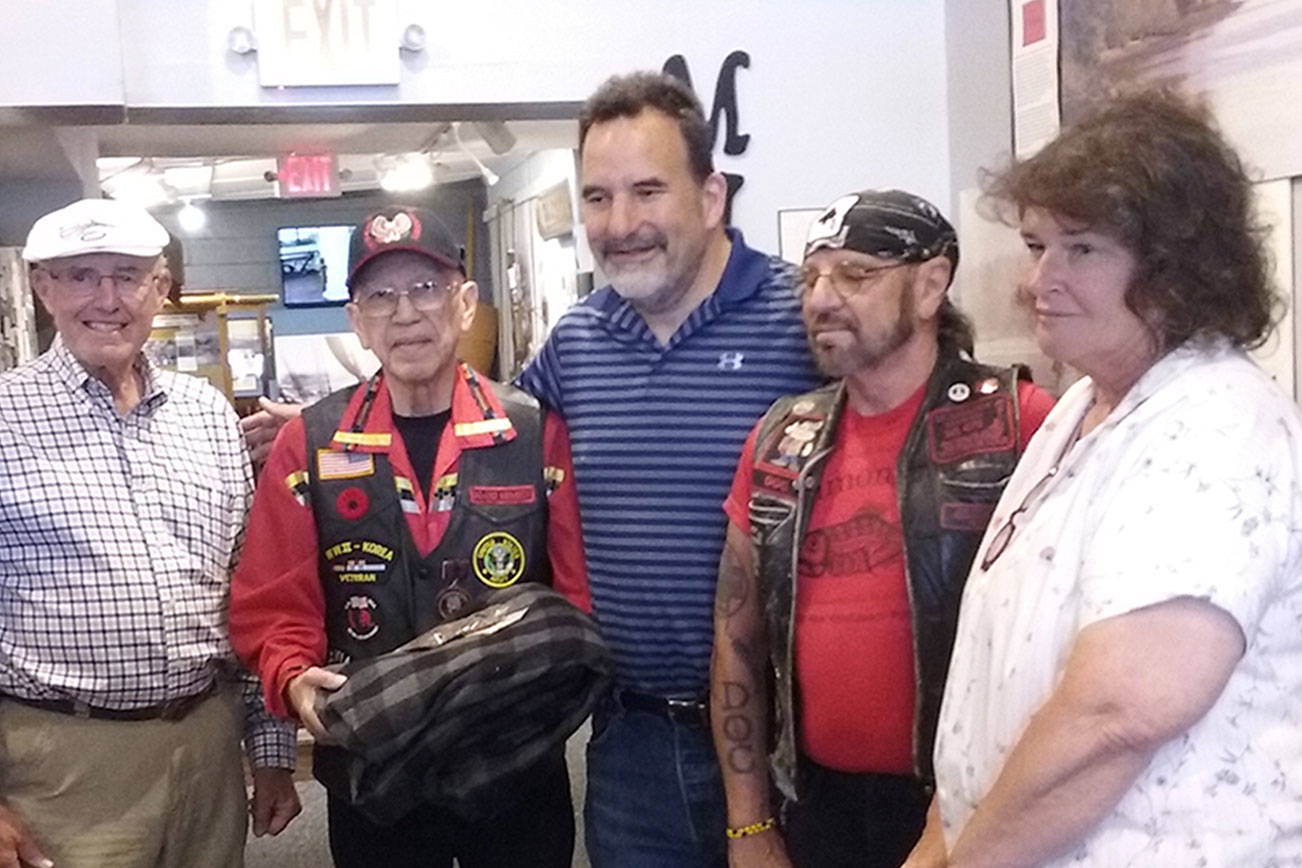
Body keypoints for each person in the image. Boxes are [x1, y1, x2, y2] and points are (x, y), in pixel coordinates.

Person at [907, 92, 1302, 867]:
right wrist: (938, 840)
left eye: (1080, 249)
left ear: (1178, 269)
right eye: (1035, 246)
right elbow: (993, 686)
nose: (1038, 281)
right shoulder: (1084, 407)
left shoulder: (1214, 424)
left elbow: (1117, 714)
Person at [515, 71, 823, 867]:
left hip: (791, 742)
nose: (621, 224)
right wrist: (327, 430)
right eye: (597, 197)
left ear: (712, 196)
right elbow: (477, 445)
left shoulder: (806, 324)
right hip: (631, 748)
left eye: (648, 191)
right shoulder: (574, 344)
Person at [228, 205, 591, 868]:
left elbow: (579, 599)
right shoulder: (308, 443)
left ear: (465, 303)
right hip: (373, 779)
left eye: (425, 289)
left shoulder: (535, 432)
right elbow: (272, 603)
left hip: (513, 774)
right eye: (380, 295)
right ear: (356, 320)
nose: (405, 314)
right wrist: (292, 678)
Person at [711, 190, 1054, 868]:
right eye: (811, 277)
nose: (821, 298)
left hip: (968, 807)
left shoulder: (1022, 425)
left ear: (930, 286)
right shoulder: (781, 440)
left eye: (855, 275)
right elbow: (736, 637)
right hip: (814, 809)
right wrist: (748, 826)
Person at [0, 198, 300, 868]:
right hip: (60, 768)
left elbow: (251, 592)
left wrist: (272, 754)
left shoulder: (207, 415)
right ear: (43, 287)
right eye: (81, 275)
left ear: (160, 288)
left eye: (128, 275)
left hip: (207, 749)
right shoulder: (4, 418)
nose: (106, 299)